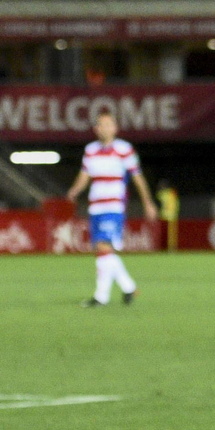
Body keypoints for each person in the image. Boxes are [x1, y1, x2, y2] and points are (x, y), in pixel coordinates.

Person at [65, 111, 154, 307]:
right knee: (101, 249)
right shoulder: (90, 150)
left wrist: (147, 202)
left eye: (108, 124)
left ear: (115, 128)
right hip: (95, 206)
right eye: (100, 124)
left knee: (104, 248)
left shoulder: (124, 149)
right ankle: (128, 286)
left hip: (113, 205)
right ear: (96, 129)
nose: (104, 128)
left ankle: (101, 297)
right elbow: (84, 175)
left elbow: (138, 178)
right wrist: (75, 190)